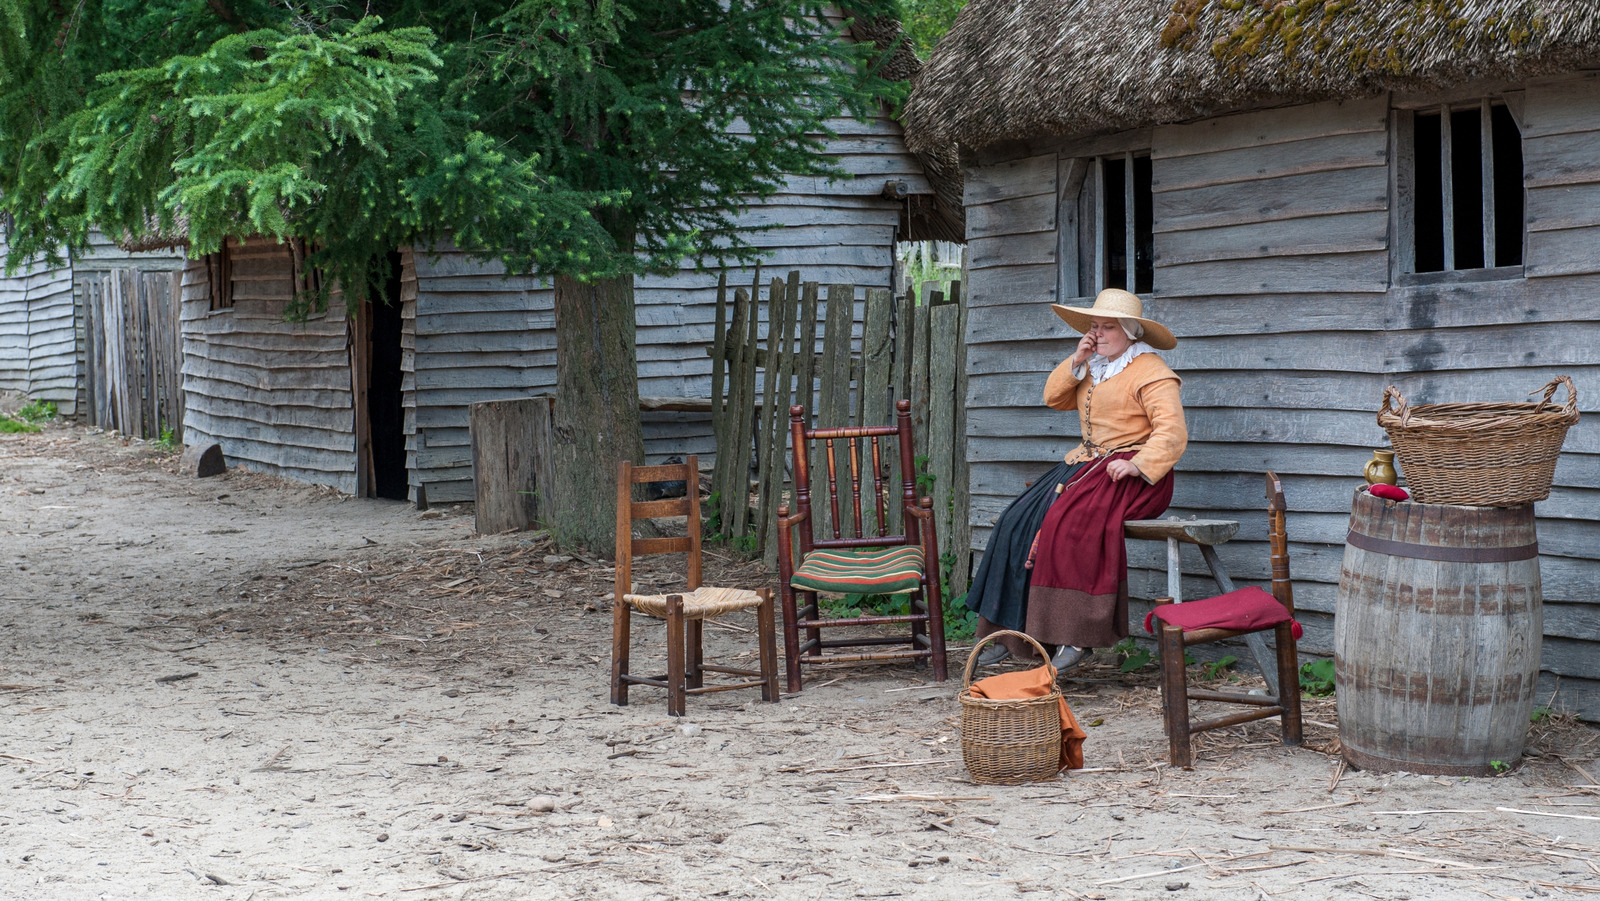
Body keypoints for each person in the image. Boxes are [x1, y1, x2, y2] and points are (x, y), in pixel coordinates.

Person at [965, 288, 1188, 670]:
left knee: (1066, 524)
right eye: (1094, 326)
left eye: (1108, 327)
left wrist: (1139, 464)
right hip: (1086, 465)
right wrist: (1077, 359)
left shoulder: (1152, 371)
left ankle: (1076, 637)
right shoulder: (1092, 366)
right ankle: (1008, 632)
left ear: (1131, 332)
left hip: (1135, 473)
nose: (1098, 333)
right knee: (1016, 520)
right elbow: (1054, 397)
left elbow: (1172, 432)